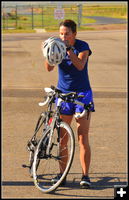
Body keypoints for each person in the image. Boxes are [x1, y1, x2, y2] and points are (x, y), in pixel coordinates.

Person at [44, 19, 95, 188]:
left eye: (67, 34)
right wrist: (49, 52)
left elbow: (80, 65)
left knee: (82, 137)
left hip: (82, 95)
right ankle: (62, 174)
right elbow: (49, 68)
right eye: (61, 33)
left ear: (74, 34)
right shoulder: (58, 44)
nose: (63, 36)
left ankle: (85, 176)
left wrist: (68, 50)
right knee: (62, 139)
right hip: (64, 95)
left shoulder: (82, 46)